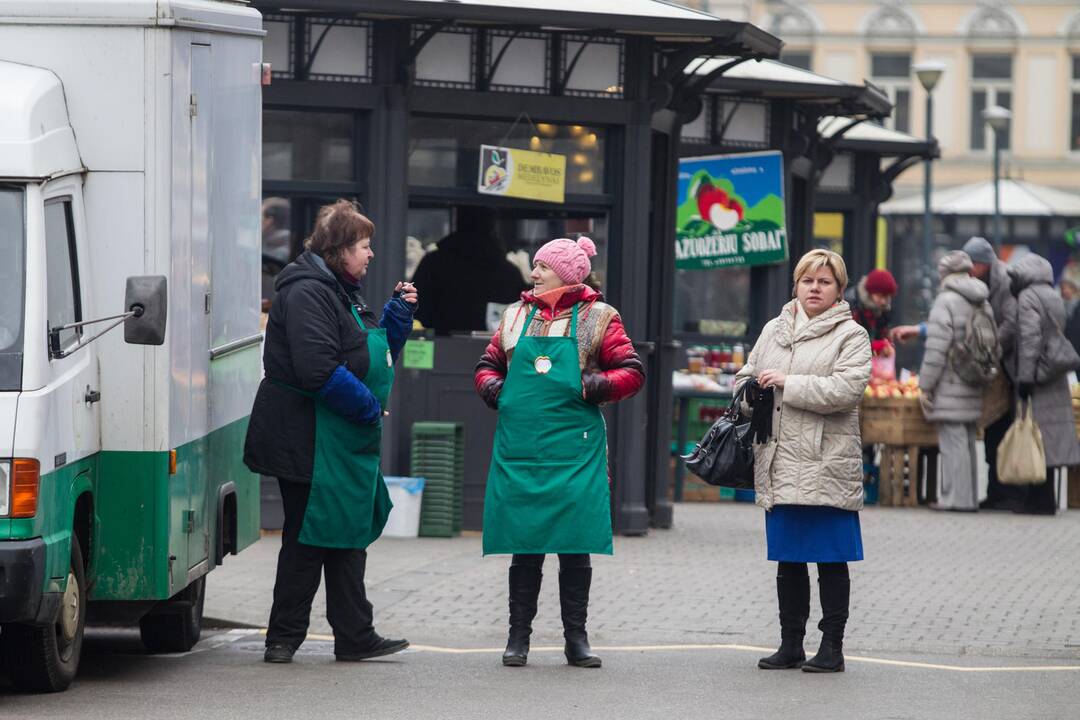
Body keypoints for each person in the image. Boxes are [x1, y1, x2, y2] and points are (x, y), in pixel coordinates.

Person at [243, 199, 417, 664]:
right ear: (339, 249)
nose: (370, 254)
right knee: (309, 536)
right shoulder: (307, 292)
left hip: (329, 437)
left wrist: (396, 319)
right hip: (306, 437)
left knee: (344, 533)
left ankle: (351, 634)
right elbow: (318, 369)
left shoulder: (339, 289)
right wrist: (367, 409)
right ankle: (286, 638)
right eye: (364, 245)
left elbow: (366, 355)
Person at [474, 236, 644, 669]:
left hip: (576, 448)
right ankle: (518, 638)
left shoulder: (600, 317)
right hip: (522, 445)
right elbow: (487, 365)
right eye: (535, 266)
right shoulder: (514, 315)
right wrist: (496, 390)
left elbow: (632, 371)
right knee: (524, 543)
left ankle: (576, 638)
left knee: (575, 544)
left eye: (542, 268)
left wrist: (591, 386)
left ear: (566, 276)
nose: (533, 274)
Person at [735, 249, 871, 674]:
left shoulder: (852, 335)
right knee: (789, 558)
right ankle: (790, 644)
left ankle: (832, 648)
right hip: (778, 460)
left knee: (831, 559)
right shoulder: (774, 330)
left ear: (839, 290)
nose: (815, 288)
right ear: (795, 285)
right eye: (808, 280)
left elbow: (846, 390)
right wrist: (749, 391)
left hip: (825, 462)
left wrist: (787, 384)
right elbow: (744, 377)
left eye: (824, 282)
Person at [918, 251, 996, 512]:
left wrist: (926, 385)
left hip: (950, 381)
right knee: (967, 440)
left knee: (952, 442)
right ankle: (970, 497)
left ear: (944, 274)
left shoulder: (946, 301)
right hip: (974, 378)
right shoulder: (982, 300)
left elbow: (936, 349)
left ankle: (955, 500)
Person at [1009, 253, 1080, 515]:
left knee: (1034, 437)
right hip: (1055, 374)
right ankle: (1047, 500)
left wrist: (1025, 378)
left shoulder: (1028, 297)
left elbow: (1029, 340)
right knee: (1047, 439)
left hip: (1037, 376)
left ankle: (1036, 501)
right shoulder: (1052, 294)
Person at [959, 236, 1021, 510]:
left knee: (1002, 431)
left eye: (973, 265)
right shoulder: (978, 281)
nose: (969, 270)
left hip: (1007, 368)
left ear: (983, 264)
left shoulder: (1004, 280)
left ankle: (1004, 492)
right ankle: (996, 492)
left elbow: (1011, 323)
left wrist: (990, 349)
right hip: (993, 367)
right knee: (994, 431)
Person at [412, 205, 528, 334]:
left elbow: (414, 309)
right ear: (491, 226)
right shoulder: (508, 272)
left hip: (440, 344)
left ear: (458, 221)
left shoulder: (433, 263)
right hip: (493, 348)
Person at [845, 268, 898, 357]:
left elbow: (884, 335)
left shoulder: (883, 310)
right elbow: (848, 342)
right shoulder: (850, 306)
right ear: (870, 293)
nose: (884, 302)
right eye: (881, 296)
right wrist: (876, 346)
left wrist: (887, 345)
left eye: (887, 297)